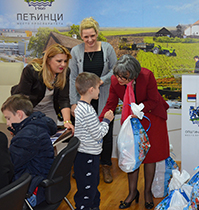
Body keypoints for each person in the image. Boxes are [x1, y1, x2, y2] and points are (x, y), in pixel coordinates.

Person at [99, 54, 170, 209]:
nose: (119, 80)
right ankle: (132, 193)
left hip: (151, 115)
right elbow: (111, 103)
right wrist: (100, 120)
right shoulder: (114, 81)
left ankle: (147, 192)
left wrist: (140, 109)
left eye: (123, 77)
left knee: (150, 156)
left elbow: (153, 99)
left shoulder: (147, 76)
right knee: (132, 154)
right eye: (117, 76)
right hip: (131, 119)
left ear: (133, 74)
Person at [69, 17, 117, 183]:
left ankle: (105, 166)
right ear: (81, 36)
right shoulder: (75, 52)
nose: (89, 40)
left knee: (106, 133)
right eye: (85, 37)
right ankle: (82, 165)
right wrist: (73, 103)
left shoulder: (107, 48)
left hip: (103, 96)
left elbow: (115, 70)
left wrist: (102, 80)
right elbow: (72, 77)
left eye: (92, 36)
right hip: (83, 100)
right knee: (82, 134)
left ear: (97, 33)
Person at [1, 94, 57, 207]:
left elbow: (10, 168)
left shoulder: (26, 137)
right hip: (41, 182)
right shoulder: (37, 126)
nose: (7, 123)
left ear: (20, 114)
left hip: (32, 192)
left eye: (8, 118)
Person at [73, 72, 114, 210]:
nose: (99, 91)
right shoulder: (87, 110)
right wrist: (106, 121)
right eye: (97, 88)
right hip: (88, 156)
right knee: (87, 190)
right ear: (91, 90)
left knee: (92, 187)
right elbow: (98, 134)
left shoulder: (82, 107)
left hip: (88, 155)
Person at [11, 43, 74, 132]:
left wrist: (67, 121)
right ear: (48, 60)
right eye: (59, 61)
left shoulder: (65, 72)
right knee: (30, 133)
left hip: (48, 106)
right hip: (29, 106)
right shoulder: (32, 70)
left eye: (65, 61)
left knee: (50, 132)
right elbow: (22, 98)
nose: (63, 65)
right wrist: (17, 120)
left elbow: (63, 99)